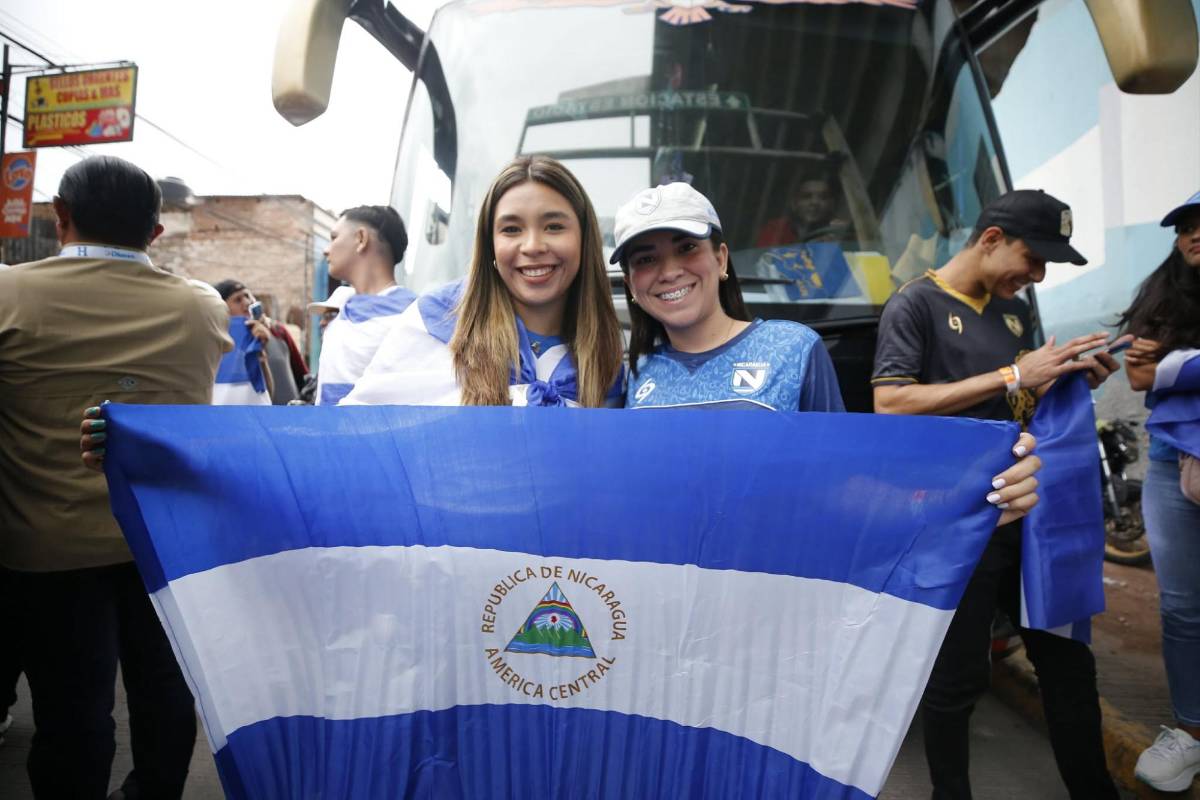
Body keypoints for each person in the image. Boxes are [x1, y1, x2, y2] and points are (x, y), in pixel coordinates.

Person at [872, 189, 1123, 800]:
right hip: (957, 522)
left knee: (1068, 665)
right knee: (957, 677)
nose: (1037, 275)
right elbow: (891, 403)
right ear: (991, 239)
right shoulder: (915, 304)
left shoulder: (1013, 313)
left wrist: (1067, 376)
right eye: (1033, 259)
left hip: (1029, 518)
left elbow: (1017, 402)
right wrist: (1014, 374)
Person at [0, 155, 231, 799]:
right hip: (163, 543)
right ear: (155, 232)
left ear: (59, 216)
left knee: (71, 709)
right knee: (164, 691)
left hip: (45, 549)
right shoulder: (201, 308)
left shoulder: (9, 295)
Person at [615, 181, 1039, 522]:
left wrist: (964, 503)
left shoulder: (793, 349)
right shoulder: (627, 375)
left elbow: (840, 487)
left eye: (687, 248)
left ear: (721, 259)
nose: (669, 271)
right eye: (646, 259)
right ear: (631, 284)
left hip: (769, 588)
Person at [342, 155, 623, 407]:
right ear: (490, 245)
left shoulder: (605, 357)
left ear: (584, 237)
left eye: (554, 227)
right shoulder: (433, 323)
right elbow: (358, 428)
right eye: (511, 229)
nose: (533, 246)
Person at [1119, 189, 1200, 793]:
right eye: (1186, 226)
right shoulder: (1163, 294)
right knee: (1181, 606)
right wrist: (1172, 364)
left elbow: (1158, 367)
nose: (1194, 234)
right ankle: (1190, 732)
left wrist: (1175, 361)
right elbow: (1139, 373)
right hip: (1175, 461)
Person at [316, 206, 415, 405]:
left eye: (334, 238)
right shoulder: (342, 308)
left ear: (361, 239)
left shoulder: (411, 317)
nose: (326, 250)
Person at [213, 279, 276, 404]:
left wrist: (260, 353)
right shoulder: (213, 343)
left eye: (247, 296)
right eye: (238, 300)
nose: (247, 303)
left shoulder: (263, 336)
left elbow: (264, 394)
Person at [756, 173, 848, 247]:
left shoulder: (840, 231)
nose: (815, 202)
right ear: (794, 204)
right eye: (806, 197)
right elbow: (766, 260)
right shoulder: (776, 229)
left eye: (823, 197)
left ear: (831, 205)